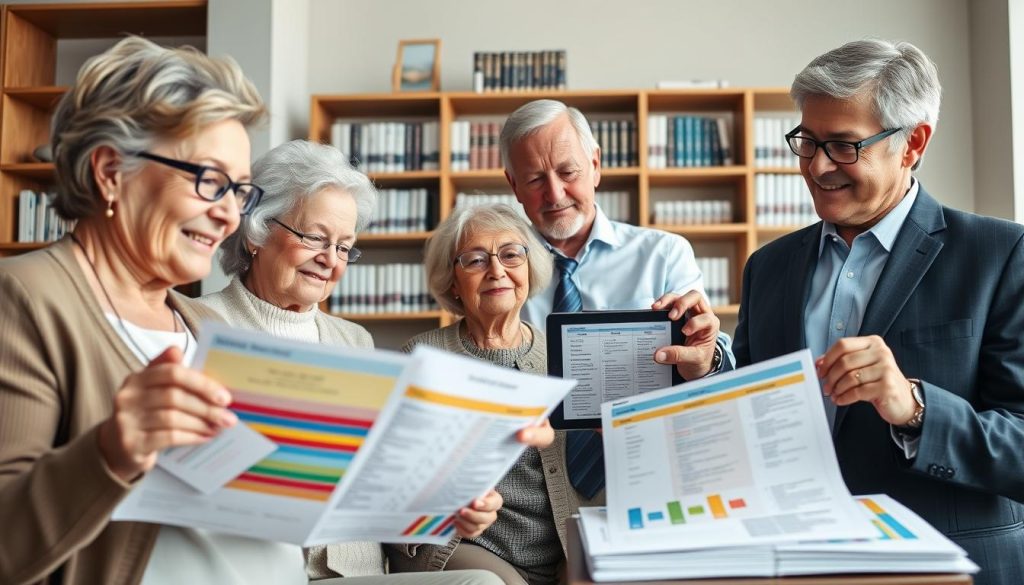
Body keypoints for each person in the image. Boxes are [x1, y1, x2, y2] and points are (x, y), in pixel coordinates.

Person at [731, 39, 1024, 585]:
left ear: (913, 143)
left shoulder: (1003, 255)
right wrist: (703, 373)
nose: (817, 167)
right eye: (807, 142)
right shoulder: (766, 267)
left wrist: (915, 407)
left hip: (949, 568)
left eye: (843, 146)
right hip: (793, 563)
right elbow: (754, 421)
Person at [0, 36, 286, 584]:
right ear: (111, 172)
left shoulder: (204, 323)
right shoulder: (25, 299)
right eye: (210, 181)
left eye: (241, 191)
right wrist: (111, 450)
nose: (230, 216)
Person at [204, 141, 546, 585]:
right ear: (257, 231)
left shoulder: (354, 342)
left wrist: (445, 510)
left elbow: (386, 487)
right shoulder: (202, 325)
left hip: (353, 574)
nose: (330, 260)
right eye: (315, 238)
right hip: (252, 568)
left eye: (344, 247)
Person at [500, 99, 734, 503]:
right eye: (535, 179)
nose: (554, 193)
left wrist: (707, 358)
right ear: (513, 185)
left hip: (651, 471)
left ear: (595, 164)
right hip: (528, 487)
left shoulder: (664, 254)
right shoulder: (496, 271)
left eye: (567, 171)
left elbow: (714, 369)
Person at [385, 203, 586, 585]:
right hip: (464, 548)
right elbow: (394, 483)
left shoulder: (559, 356)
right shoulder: (421, 358)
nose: (497, 271)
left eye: (511, 254)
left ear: (529, 267)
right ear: (452, 281)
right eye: (475, 260)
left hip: (558, 546)